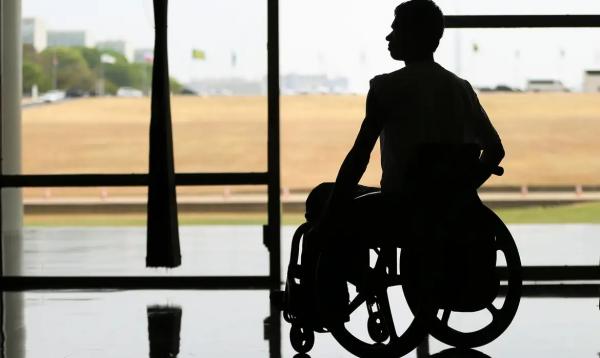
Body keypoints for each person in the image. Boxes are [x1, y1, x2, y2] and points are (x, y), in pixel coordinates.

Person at [304, 0, 505, 325]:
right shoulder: (460, 89)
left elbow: (359, 156)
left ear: (414, 35)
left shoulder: (386, 88)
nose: (389, 37)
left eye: (396, 29)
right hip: (447, 210)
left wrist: (328, 216)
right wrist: (460, 192)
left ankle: (333, 300)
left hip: (399, 210)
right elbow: (494, 151)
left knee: (322, 198)